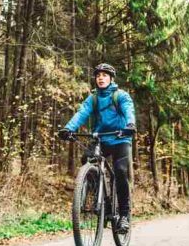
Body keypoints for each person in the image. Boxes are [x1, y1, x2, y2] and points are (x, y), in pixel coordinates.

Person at [58, 63, 136, 233]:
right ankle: (95, 198)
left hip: (121, 138)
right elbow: (82, 113)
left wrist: (130, 124)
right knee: (87, 159)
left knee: (121, 171)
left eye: (104, 75)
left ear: (111, 79)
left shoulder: (120, 96)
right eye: (98, 75)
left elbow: (129, 109)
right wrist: (68, 128)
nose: (100, 78)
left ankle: (123, 216)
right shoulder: (92, 99)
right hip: (101, 138)